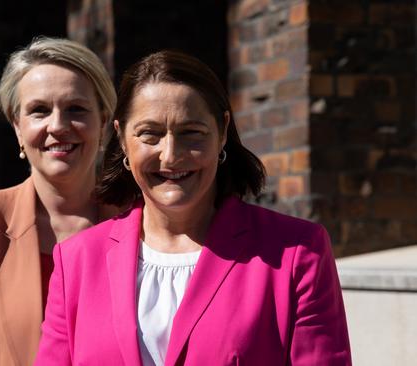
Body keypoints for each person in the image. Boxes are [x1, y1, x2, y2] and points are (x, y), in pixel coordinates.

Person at [35, 50, 351, 365]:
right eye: (150, 134)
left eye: (191, 133)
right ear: (121, 138)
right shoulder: (76, 260)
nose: (171, 156)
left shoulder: (297, 252)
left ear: (222, 132)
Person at [0, 37, 117, 366]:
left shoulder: (142, 223)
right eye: (39, 111)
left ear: (102, 121)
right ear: (17, 127)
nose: (57, 125)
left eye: (76, 109)